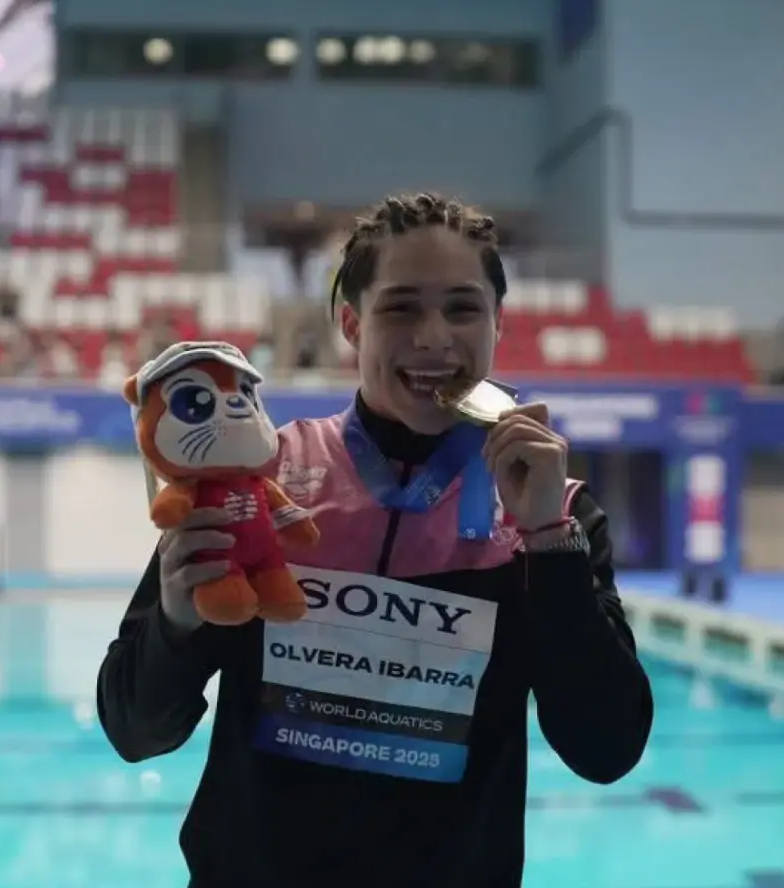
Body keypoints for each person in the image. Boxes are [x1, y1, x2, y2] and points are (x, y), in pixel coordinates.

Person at [96, 192, 653, 888]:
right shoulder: (254, 484)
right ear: (352, 326)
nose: (433, 336)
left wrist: (547, 539)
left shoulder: (553, 512)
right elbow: (134, 728)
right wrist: (177, 621)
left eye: (462, 307)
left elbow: (606, 750)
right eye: (401, 308)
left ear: (498, 324)